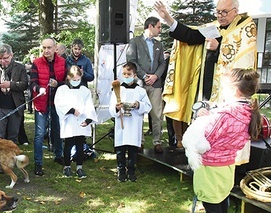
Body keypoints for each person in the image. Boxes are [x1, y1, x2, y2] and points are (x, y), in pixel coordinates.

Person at [153, 0, 257, 151]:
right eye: (218, 12)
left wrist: (219, 47)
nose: (220, 16)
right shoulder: (215, 27)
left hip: (230, 90)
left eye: (224, 12)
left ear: (235, 11)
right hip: (206, 88)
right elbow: (191, 36)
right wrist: (168, 18)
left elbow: (244, 59)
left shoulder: (246, 26)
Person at [182, 68, 261, 213]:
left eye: (224, 87)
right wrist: (211, 117)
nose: (222, 91)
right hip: (227, 165)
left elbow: (204, 142)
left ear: (234, 90)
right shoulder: (247, 111)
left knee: (213, 212)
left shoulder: (224, 114)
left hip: (210, 167)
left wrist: (200, 121)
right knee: (221, 206)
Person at [126, 16, 166, 154]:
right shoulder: (134, 42)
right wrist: (144, 75)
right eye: (159, 27)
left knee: (156, 113)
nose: (160, 30)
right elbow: (131, 60)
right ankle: (139, 141)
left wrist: (155, 76)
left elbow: (162, 63)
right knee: (139, 113)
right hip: (140, 83)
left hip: (156, 84)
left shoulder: (158, 45)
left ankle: (157, 141)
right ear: (150, 26)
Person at [109, 62, 152, 182]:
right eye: (124, 74)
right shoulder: (118, 89)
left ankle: (132, 169)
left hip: (134, 124)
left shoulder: (140, 91)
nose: (126, 76)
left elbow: (148, 106)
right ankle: (121, 170)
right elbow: (111, 106)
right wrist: (116, 108)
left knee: (132, 149)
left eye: (129, 74)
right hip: (121, 124)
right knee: (121, 148)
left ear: (134, 75)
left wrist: (138, 105)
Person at [30, 37, 67, 176]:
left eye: (49, 47)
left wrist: (57, 84)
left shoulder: (63, 62)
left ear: (55, 48)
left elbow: (68, 82)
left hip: (57, 103)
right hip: (41, 103)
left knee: (57, 130)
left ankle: (59, 155)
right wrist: (38, 88)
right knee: (39, 134)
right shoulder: (36, 63)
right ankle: (38, 162)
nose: (46, 50)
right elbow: (32, 83)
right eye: (44, 48)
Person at [54, 65, 97, 178]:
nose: (76, 82)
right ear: (68, 77)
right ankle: (67, 166)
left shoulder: (84, 90)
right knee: (68, 144)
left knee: (80, 144)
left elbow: (89, 105)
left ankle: (79, 167)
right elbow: (59, 103)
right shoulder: (62, 89)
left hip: (81, 121)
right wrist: (72, 110)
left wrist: (88, 119)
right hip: (69, 120)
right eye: (74, 80)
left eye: (78, 80)